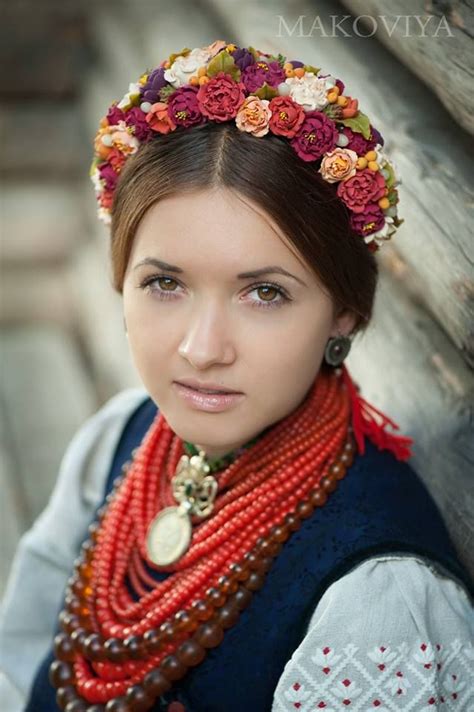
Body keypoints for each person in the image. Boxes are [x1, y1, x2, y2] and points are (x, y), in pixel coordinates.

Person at [0, 39, 472, 712]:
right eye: (165, 282)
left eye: (265, 294)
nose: (202, 348)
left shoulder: (372, 601)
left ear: (343, 313)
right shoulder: (121, 441)